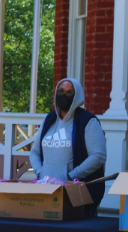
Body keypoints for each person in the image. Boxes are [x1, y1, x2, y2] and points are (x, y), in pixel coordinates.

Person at [29, 78, 106, 217]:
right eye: (60, 91)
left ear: (77, 96)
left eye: (69, 93)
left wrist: (71, 177)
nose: (64, 95)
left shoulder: (88, 121)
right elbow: (34, 152)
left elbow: (98, 156)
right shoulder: (49, 119)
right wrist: (41, 173)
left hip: (75, 195)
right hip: (46, 192)